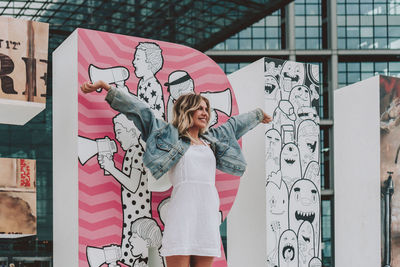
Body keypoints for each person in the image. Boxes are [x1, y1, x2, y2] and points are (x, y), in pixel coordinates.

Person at [81, 80, 272, 267]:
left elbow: (234, 126)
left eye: (207, 109)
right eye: (200, 108)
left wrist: (257, 115)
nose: (205, 113)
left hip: (207, 216)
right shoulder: (167, 135)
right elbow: (141, 112)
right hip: (182, 215)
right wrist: (108, 89)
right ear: (186, 110)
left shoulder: (212, 140)